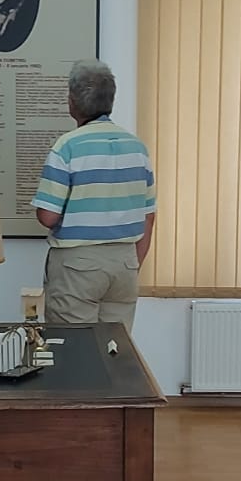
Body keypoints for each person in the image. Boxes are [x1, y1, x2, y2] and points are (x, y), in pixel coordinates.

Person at [31, 60, 156, 332]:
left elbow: (48, 216)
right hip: (125, 263)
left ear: (72, 102)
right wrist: (133, 262)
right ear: (110, 100)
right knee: (115, 347)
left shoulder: (67, 146)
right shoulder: (137, 148)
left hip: (78, 265)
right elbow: (149, 215)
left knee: (74, 346)